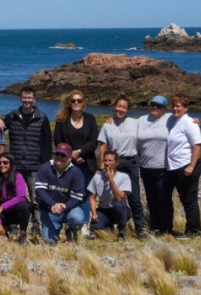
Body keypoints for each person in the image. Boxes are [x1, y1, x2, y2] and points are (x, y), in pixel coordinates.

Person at [0, 86, 53, 237]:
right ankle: (14, 224)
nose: (27, 100)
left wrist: (46, 163)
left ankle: (36, 225)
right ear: (20, 99)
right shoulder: (12, 116)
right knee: (13, 196)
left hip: (34, 165)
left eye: (30, 98)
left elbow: (47, 143)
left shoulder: (42, 117)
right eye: (24, 97)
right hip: (15, 165)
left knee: (36, 198)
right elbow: (2, 126)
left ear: (34, 99)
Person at [97, 95, 146, 239]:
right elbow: (103, 146)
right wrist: (102, 164)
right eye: (119, 106)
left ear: (128, 110)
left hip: (130, 163)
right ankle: (120, 229)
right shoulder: (108, 125)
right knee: (114, 197)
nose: (121, 109)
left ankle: (140, 228)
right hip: (113, 163)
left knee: (134, 197)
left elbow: (156, 119)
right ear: (114, 107)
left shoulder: (135, 122)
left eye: (124, 107)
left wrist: (192, 120)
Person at [53, 89, 99, 232]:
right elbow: (58, 141)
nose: (76, 103)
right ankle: (70, 223)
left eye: (79, 100)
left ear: (83, 103)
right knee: (68, 193)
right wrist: (70, 155)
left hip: (86, 163)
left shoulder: (90, 118)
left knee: (85, 194)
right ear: (69, 102)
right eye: (73, 101)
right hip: (67, 164)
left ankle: (84, 225)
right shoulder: (62, 120)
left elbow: (94, 141)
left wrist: (80, 153)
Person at [161, 93, 201, 238]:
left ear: (186, 108)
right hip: (173, 167)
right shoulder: (173, 120)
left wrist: (191, 166)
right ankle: (167, 228)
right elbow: (156, 115)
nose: (175, 108)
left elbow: (197, 145)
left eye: (178, 106)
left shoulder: (189, 123)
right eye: (173, 106)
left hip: (186, 167)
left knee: (189, 200)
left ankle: (194, 231)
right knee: (167, 197)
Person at [136, 95, 172, 235]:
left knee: (163, 199)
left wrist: (196, 121)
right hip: (145, 167)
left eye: (159, 106)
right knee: (151, 199)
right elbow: (125, 124)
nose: (155, 108)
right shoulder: (141, 120)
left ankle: (167, 228)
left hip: (164, 167)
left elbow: (184, 120)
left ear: (164, 108)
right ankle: (155, 226)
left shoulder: (170, 118)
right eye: (153, 105)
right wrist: (110, 120)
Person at [36, 143, 84, 244]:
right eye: (57, 154)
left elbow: (77, 197)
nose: (59, 157)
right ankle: (54, 232)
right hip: (49, 210)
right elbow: (40, 190)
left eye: (63, 155)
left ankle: (71, 231)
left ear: (70, 158)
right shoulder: (45, 168)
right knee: (50, 241)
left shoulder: (76, 172)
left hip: (69, 209)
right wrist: (53, 204)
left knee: (77, 218)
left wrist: (65, 206)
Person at [0, 153, 30, 245]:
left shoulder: (18, 176)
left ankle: (22, 233)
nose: (2, 165)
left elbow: (21, 196)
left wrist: (3, 206)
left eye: (5, 162)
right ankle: (5, 229)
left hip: (15, 210)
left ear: (11, 164)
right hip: (3, 214)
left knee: (24, 206)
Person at [88, 150, 132, 241]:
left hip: (119, 209)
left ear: (116, 163)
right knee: (95, 227)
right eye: (105, 160)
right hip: (104, 209)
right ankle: (108, 226)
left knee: (118, 205)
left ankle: (121, 233)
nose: (107, 163)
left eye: (110, 161)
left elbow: (119, 197)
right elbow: (92, 197)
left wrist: (111, 180)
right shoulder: (97, 177)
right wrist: (94, 214)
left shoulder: (124, 177)